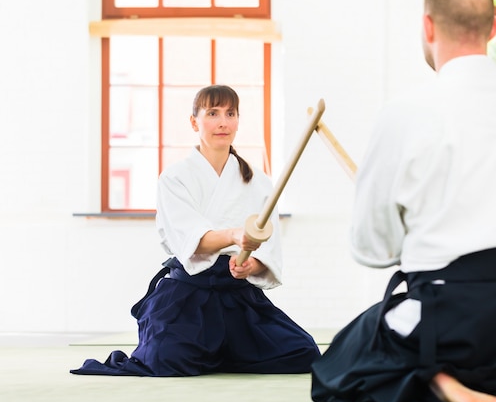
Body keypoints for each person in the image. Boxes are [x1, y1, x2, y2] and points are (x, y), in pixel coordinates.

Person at [310, 0, 496, 402]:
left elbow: (371, 249)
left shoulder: (404, 113)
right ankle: (489, 386)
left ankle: (446, 386)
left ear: (428, 28)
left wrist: (413, 229)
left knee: (345, 356)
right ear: (494, 27)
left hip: (447, 319)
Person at [70, 85, 321, 377]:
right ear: (194, 122)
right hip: (188, 294)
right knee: (165, 360)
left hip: (237, 294)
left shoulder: (260, 183)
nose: (223, 122)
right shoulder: (175, 178)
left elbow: (268, 242)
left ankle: (215, 352)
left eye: (230, 113)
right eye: (212, 113)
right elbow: (191, 240)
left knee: (303, 352)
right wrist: (234, 236)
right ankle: (212, 351)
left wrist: (252, 264)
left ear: (238, 120)